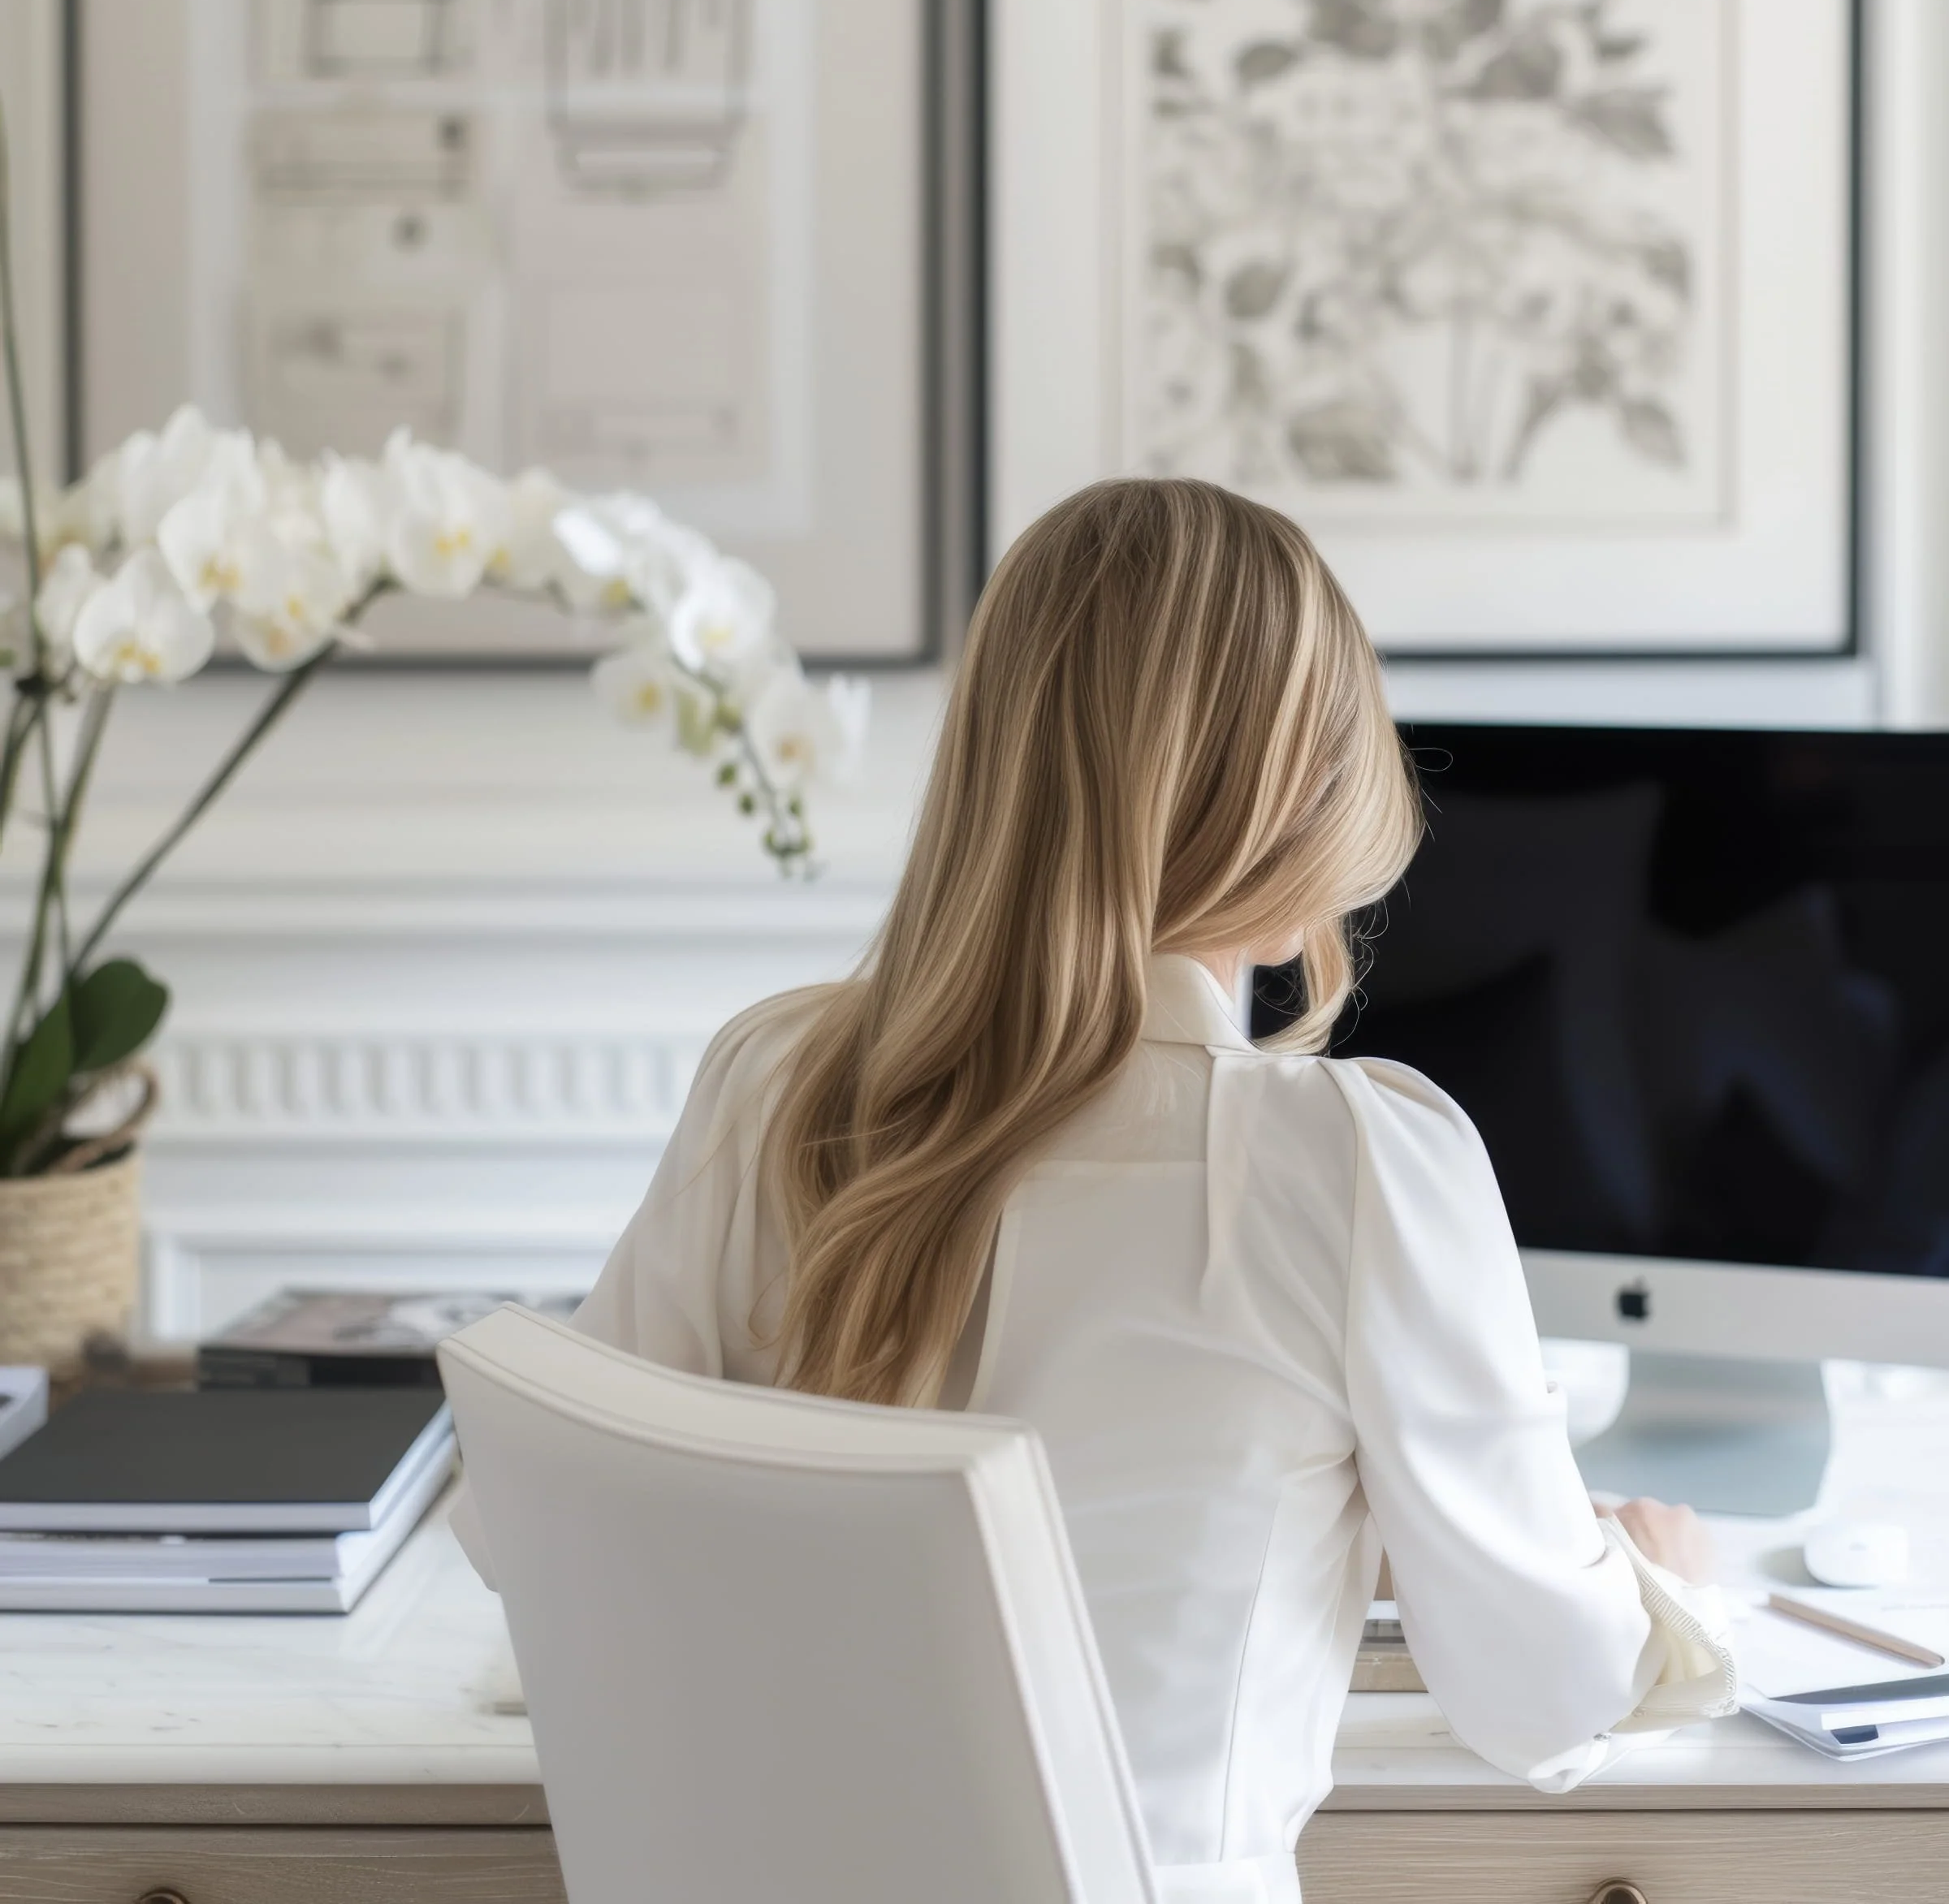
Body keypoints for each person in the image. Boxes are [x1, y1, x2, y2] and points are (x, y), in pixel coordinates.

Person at [573, 479, 1735, 1900]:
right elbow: (1543, 1695)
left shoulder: (771, 1084)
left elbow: (550, 1534)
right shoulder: (1357, 1160)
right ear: (1301, 797)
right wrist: (1660, 1586)